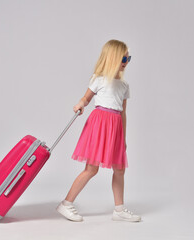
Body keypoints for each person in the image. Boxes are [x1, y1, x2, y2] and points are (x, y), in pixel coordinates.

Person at [56, 39, 141, 222]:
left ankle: (119, 209)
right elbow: (86, 98)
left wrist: (123, 137)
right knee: (91, 169)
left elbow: (123, 113)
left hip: (115, 127)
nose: (126, 63)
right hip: (99, 125)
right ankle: (66, 204)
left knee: (119, 170)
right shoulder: (99, 79)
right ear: (112, 59)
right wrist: (80, 104)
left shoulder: (124, 86)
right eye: (123, 59)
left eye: (128, 59)